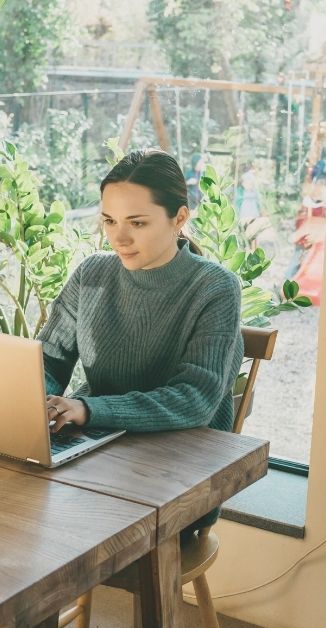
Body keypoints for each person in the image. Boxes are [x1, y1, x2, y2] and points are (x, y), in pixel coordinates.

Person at [39, 148, 243, 539]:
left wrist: (87, 409)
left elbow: (194, 400)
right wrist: (35, 405)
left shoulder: (215, 287)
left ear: (179, 218)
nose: (120, 236)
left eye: (137, 222)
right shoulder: (93, 273)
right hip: (95, 450)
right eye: (109, 220)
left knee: (42, 527)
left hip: (178, 480)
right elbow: (49, 360)